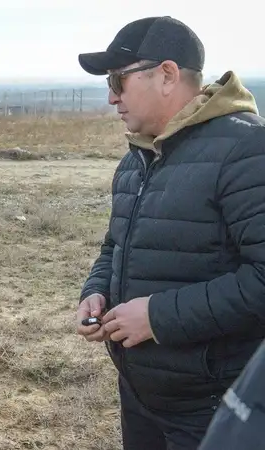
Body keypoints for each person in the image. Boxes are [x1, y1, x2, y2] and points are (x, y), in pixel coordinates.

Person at [75, 16, 265, 450]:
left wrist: (158, 317)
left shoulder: (247, 151)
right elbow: (115, 244)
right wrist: (97, 289)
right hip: (141, 398)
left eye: (119, 80)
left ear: (167, 75)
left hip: (214, 408)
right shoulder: (138, 158)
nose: (110, 97)